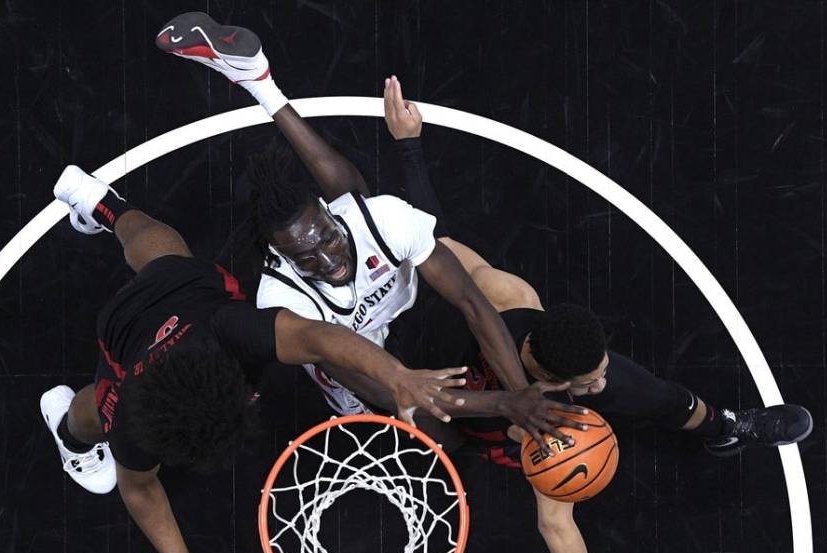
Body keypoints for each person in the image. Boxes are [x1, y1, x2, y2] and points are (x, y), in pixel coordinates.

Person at [331, 76, 815, 553]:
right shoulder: (496, 331)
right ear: (546, 375)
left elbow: (438, 235)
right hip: (456, 394)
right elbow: (555, 522)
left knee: (665, 398)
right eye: (587, 382)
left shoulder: (534, 325)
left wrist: (408, 145)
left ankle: (725, 428)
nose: (598, 386)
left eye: (598, 371)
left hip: (505, 396)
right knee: (439, 433)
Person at [39, 165, 472, 553]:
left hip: (186, 303)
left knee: (165, 264)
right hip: (136, 329)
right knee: (149, 292)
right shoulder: (133, 417)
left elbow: (321, 338)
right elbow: (139, 490)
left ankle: (103, 206)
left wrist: (398, 376)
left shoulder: (231, 329)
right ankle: (68, 433)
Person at [155, 11, 586, 448]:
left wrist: (521, 393)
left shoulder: (381, 218)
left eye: (327, 239)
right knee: (442, 439)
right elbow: (380, 387)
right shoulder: (282, 298)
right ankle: (258, 81)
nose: (329, 262)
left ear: (331, 212)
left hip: (408, 310)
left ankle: (260, 82)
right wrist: (501, 405)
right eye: (306, 258)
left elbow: (473, 303)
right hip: (358, 361)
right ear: (281, 259)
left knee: (372, 213)